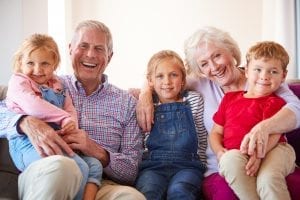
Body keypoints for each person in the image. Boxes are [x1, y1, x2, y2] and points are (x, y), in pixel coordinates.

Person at [136, 27, 300, 199]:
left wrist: (264, 128)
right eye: (204, 64)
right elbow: (162, 78)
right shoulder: (201, 83)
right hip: (221, 166)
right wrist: (145, 94)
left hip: (270, 157)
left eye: (217, 56)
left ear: (232, 52)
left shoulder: (262, 79)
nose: (213, 67)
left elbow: (296, 110)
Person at [0, 20, 145, 200]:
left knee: (131, 198)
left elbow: (131, 171)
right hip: (46, 169)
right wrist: (25, 122)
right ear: (70, 49)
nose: (90, 54)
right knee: (63, 168)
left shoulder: (127, 104)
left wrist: (95, 150)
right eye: (83, 46)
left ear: (110, 56)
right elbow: (5, 110)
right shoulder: (45, 83)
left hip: (99, 183)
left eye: (99, 49)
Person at [5, 33, 102, 200]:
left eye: (45, 63)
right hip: (27, 144)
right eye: (30, 63)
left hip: (56, 141)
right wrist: (63, 118)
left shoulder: (57, 84)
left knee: (87, 167)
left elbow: (69, 107)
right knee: (73, 167)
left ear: (54, 64)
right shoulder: (19, 82)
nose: (37, 69)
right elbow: (33, 106)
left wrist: (71, 123)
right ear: (20, 62)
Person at [209, 41, 296, 200]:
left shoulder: (276, 102)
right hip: (239, 155)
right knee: (229, 160)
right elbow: (216, 132)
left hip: (275, 149)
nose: (264, 76)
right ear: (246, 71)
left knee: (268, 179)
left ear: (283, 76)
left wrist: (259, 156)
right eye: (258, 69)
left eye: (273, 71)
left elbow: (274, 134)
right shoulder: (229, 99)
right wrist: (219, 152)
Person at [135, 50, 207, 199]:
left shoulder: (194, 100)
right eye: (159, 76)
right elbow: (141, 140)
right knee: (148, 191)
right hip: (153, 166)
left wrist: (202, 167)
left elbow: (201, 137)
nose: (167, 81)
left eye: (173, 75)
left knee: (180, 191)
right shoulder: (146, 105)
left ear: (182, 79)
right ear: (150, 81)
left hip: (187, 166)